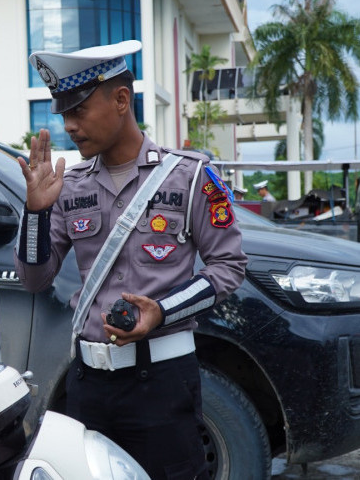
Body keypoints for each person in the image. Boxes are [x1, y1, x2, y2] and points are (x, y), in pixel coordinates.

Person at [13, 41, 247, 479]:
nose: (69, 126)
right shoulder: (71, 185)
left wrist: (161, 311)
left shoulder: (191, 175)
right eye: (63, 114)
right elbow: (34, 279)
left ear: (121, 100)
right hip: (87, 384)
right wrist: (36, 213)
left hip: (161, 384)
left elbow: (228, 267)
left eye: (78, 111)